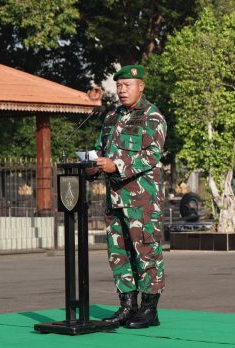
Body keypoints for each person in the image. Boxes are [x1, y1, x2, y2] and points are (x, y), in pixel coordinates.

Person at [88, 64, 166, 329]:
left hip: (142, 201)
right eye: (119, 86)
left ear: (140, 86)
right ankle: (126, 306)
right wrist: (92, 164)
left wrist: (116, 165)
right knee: (118, 253)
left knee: (145, 250)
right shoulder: (112, 116)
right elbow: (101, 149)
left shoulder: (152, 116)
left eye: (127, 86)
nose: (121, 90)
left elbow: (151, 155)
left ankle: (149, 309)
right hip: (115, 198)